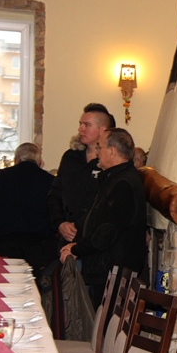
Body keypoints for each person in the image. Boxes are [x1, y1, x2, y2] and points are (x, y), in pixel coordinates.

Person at [60, 128, 147, 310]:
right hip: (106, 269)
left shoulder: (123, 184)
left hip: (114, 272)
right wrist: (77, 229)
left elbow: (106, 232)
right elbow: (97, 215)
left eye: (99, 147)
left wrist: (77, 248)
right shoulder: (114, 178)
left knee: (105, 323)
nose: (96, 152)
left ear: (112, 151)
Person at [48, 103, 115, 246]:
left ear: (102, 130)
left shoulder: (111, 161)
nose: (80, 129)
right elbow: (55, 195)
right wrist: (60, 223)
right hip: (67, 235)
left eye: (87, 125)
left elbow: (109, 205)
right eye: (80, 124)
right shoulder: (70, 157)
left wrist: (82, 225)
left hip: (95, 239)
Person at [0, 143, 55, 267]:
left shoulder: (0, 177)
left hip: (3, 243)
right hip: (39, 245)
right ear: (39, 161)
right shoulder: (51, 181)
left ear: (16, 159)